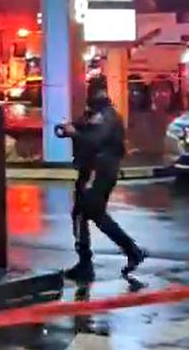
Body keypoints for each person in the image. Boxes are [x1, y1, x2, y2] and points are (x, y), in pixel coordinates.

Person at [58, 77, 146, 282]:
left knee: (86, 213)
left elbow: (94, 140)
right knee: (91, 214)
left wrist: (74, 133)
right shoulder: (98, 115)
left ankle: (94, 261)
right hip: (95, 171)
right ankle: (127, 252)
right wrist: (71, 130)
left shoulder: (106, 116)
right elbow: (85, 130)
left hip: (99, 172)